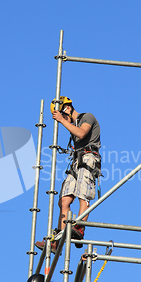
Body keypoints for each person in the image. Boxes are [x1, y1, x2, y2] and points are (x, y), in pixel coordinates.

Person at [36, 96, 101, 253]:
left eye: (63, 115)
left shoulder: (87, 117)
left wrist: (62, 120)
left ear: (67, 108)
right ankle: (58, 241)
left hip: (88, 159)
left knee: (82, 194)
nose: (63, 120)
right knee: (64, 200)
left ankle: (80, 228)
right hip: (76, 161)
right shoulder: (73, 124)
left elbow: (81, 133)